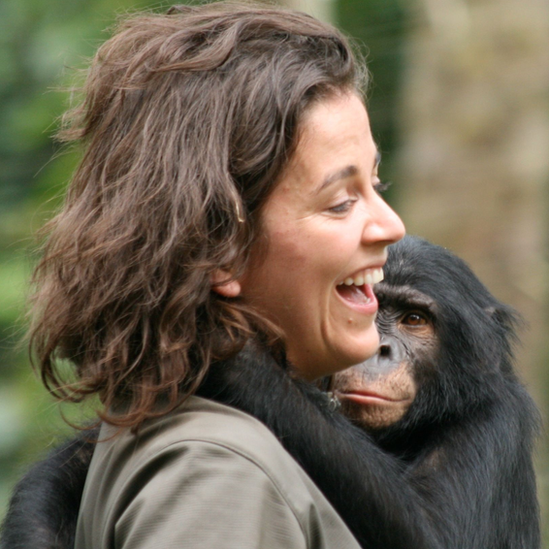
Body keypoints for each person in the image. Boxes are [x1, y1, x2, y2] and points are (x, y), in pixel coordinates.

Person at [26, 2, 405, 548]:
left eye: (377, 185)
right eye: (341, 202)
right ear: (220, 250)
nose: (392, 226)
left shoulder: (195, 441)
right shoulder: (217, 474)